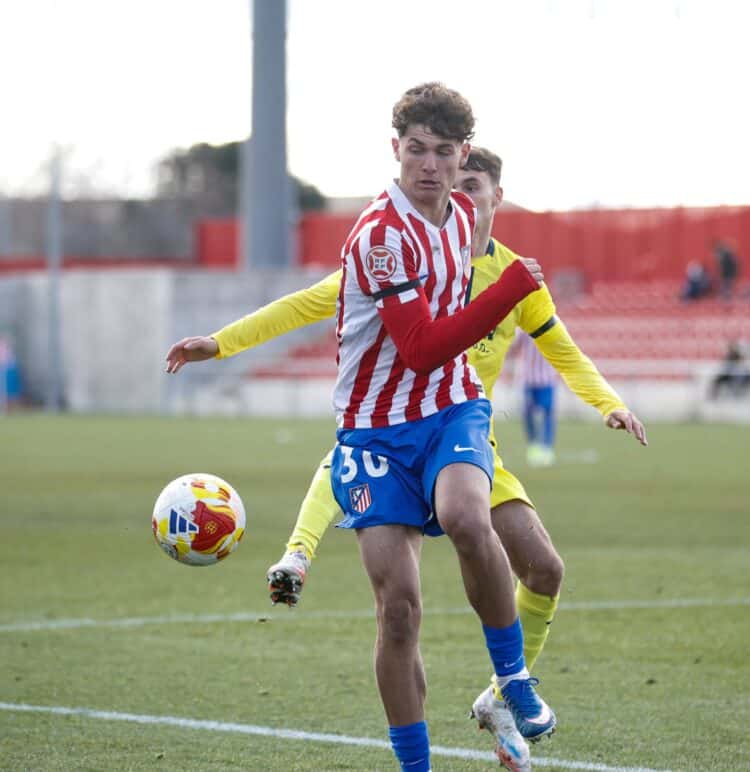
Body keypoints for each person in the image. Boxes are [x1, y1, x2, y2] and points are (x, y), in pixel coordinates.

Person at [166, 139, 648, 771]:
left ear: (495, 198)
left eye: (471, 184)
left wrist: (607, 400)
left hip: (465, 436)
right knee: (393, 596)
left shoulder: (507, 276)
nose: (457, 193)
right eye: (452, 181)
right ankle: (298, 554)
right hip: (389, 432)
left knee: (544, 567)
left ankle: (506, 692)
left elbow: (563, 350)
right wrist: (223, 344)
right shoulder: (398, 254)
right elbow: (306, 304)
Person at [514, 331, 559, 466]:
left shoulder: (555, 324)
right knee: (528, 414)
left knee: (548, 413)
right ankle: (533, 445)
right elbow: (514, 347)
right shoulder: (524, 329)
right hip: (529, 379)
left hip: (547, 379)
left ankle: (546, 447)